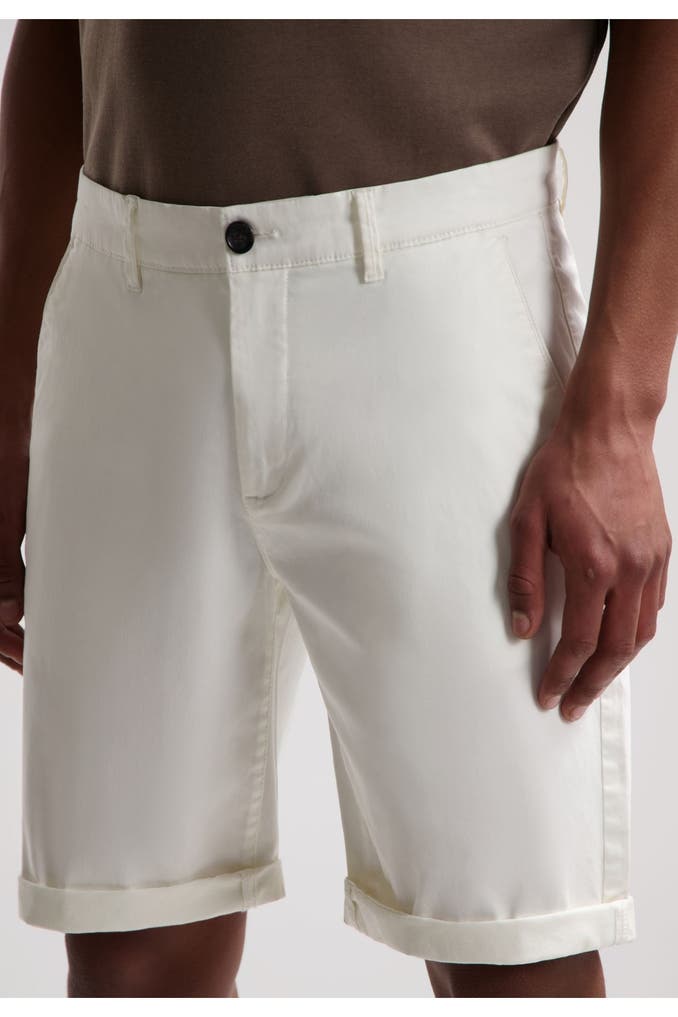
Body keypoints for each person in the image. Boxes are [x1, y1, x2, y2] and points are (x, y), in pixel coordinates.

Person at [0, 18, 675, 999]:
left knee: (508, 936)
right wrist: (10, 395)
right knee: (129, 943)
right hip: (125, 304)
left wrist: (620, 415)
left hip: (439, 311)